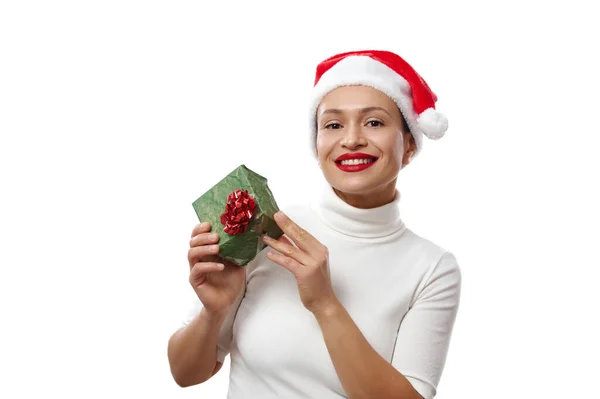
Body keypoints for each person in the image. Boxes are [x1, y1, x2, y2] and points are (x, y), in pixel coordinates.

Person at [167, 50, 462, 399]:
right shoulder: (268, 228)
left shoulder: (432, 269)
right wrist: (213, 312)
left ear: (410, 144)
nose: (351, 139)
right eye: (333, 125)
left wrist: (325, 303)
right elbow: (185, 375)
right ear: (317, 143)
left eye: (374, 122)